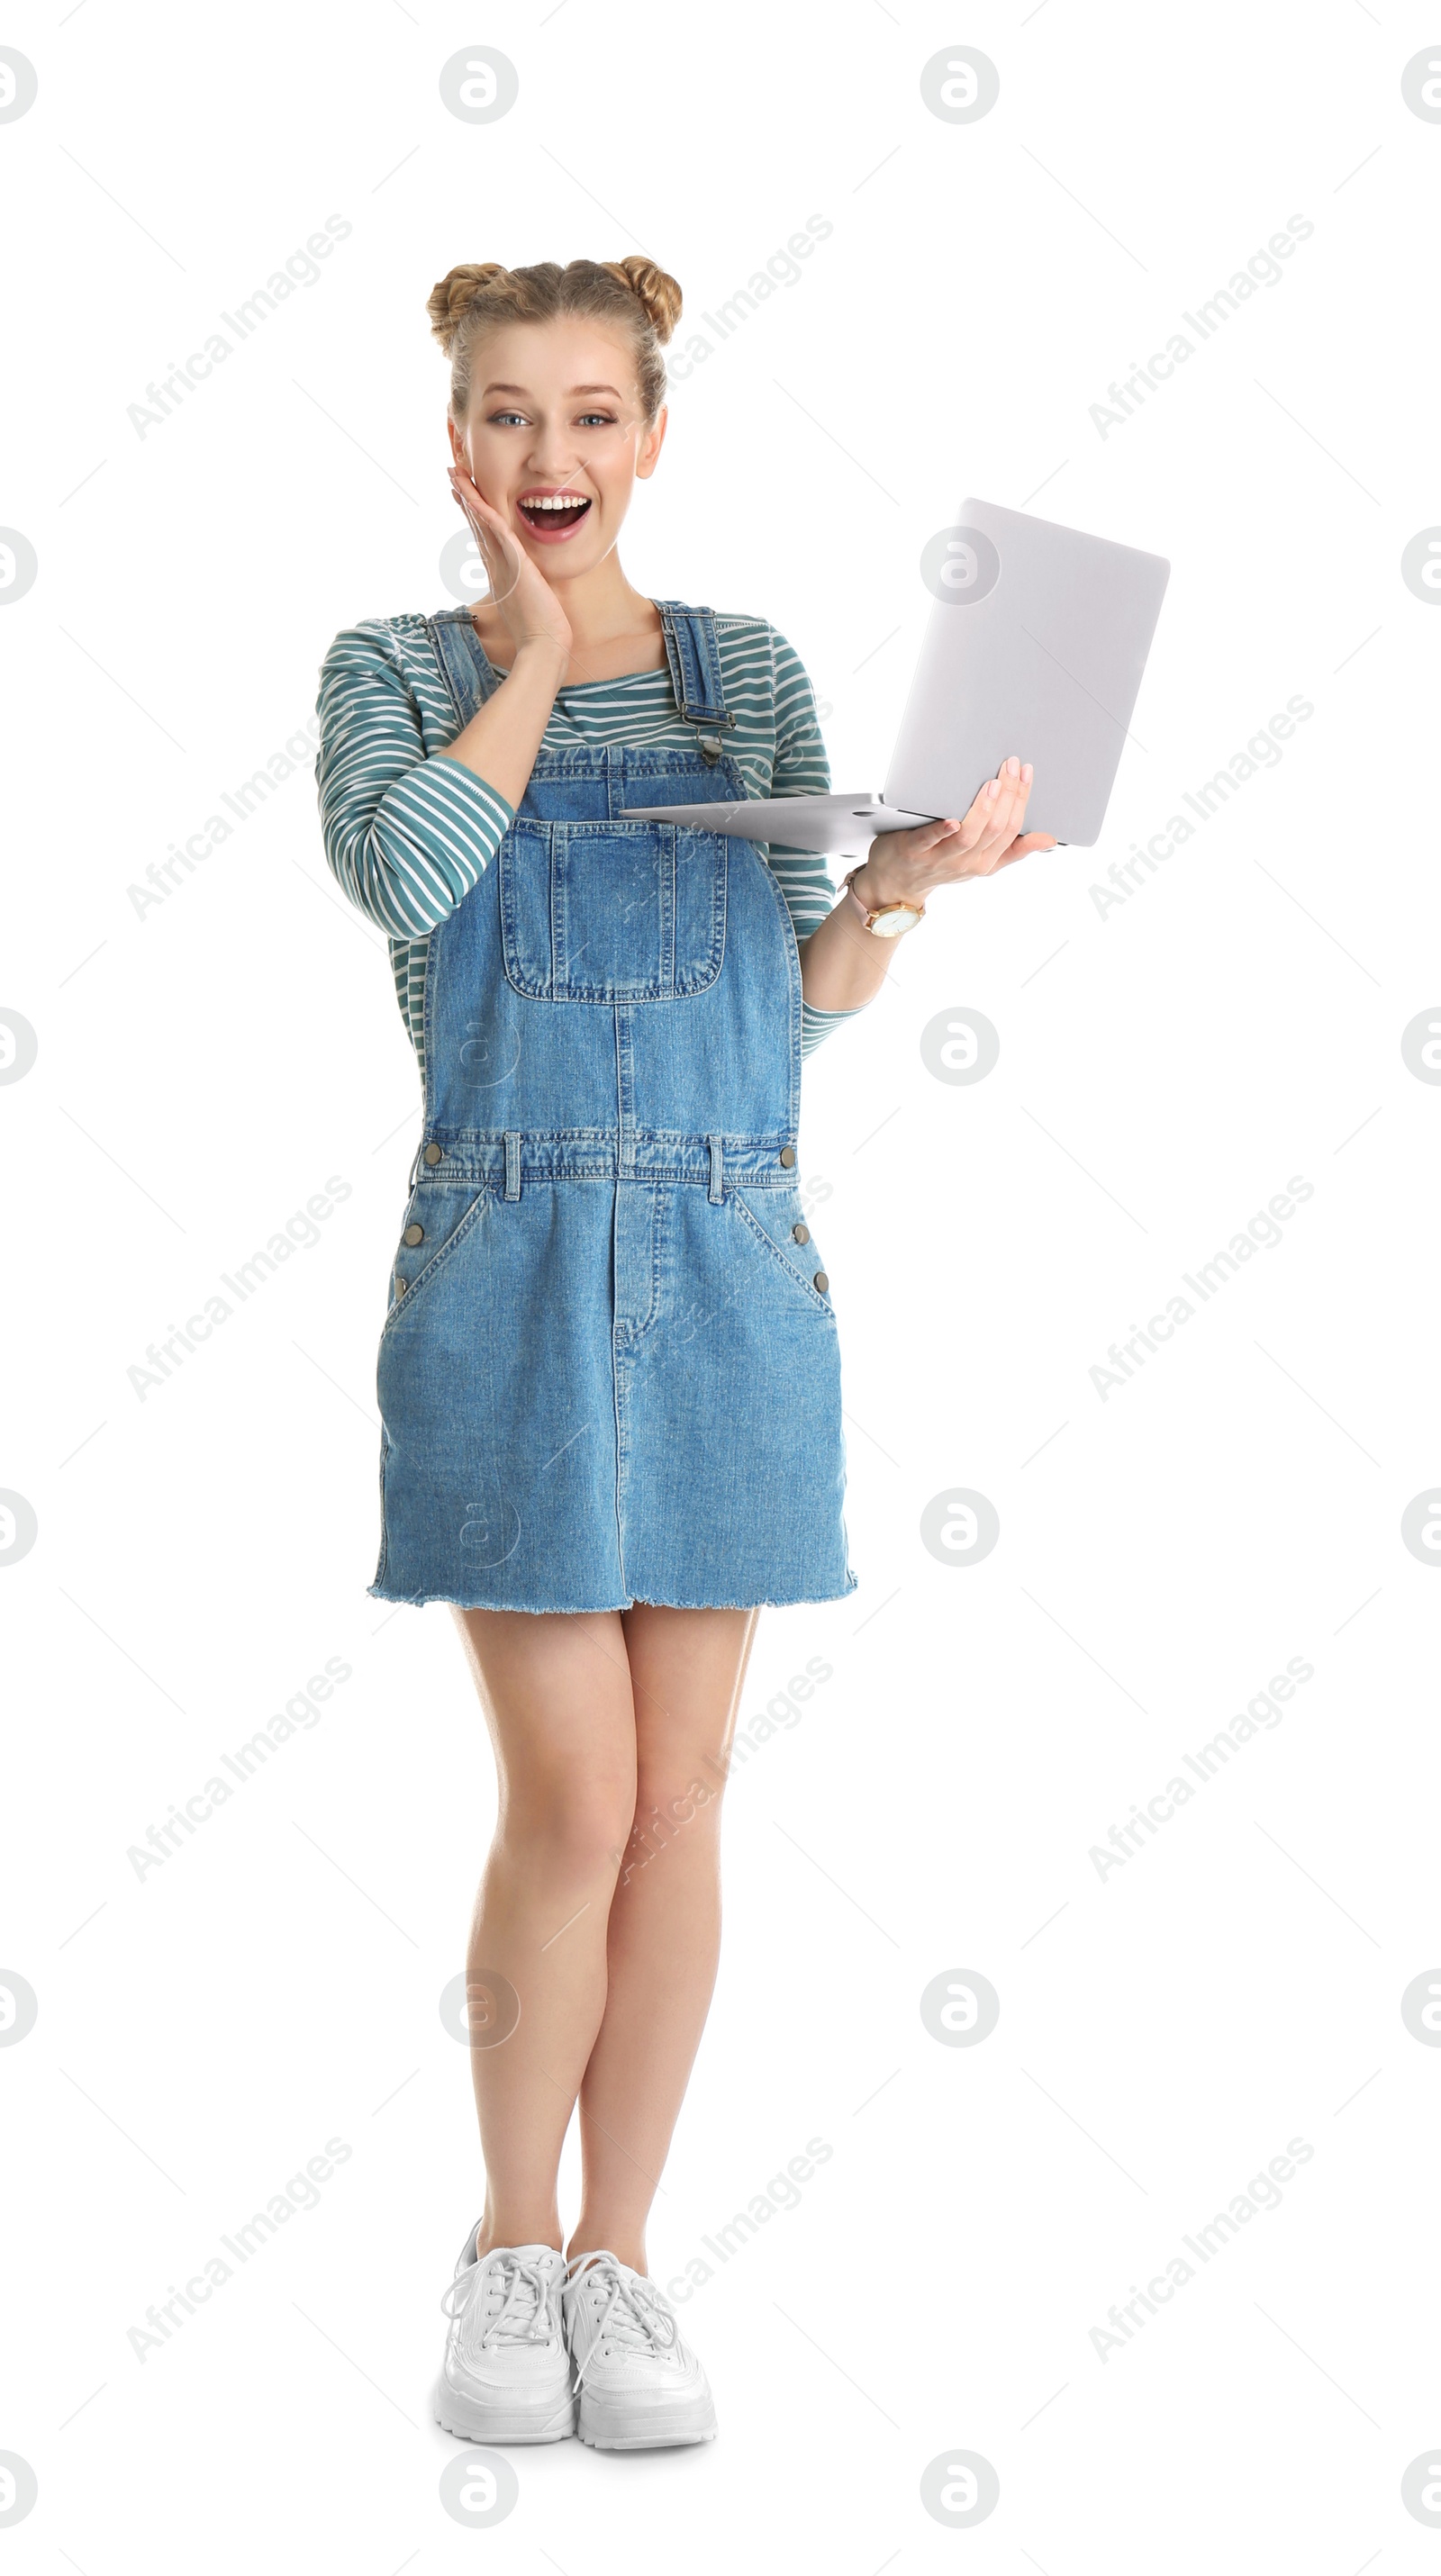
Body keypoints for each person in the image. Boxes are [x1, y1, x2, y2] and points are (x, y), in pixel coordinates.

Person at [314, 254, 1054, 2453]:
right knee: (575, 1795)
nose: (554, 457)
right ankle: (504, 2245)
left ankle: (625, 2264)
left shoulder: (748, 678)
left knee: (687, 1802)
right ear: (457, 446)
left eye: (593, 416)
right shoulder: (388, 673)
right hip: (510, 1265)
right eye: (510, 419)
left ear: (653, 436)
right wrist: (534, 653)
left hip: (732, 1263)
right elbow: (408, 872)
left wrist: (904, 882)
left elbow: (799, 991)